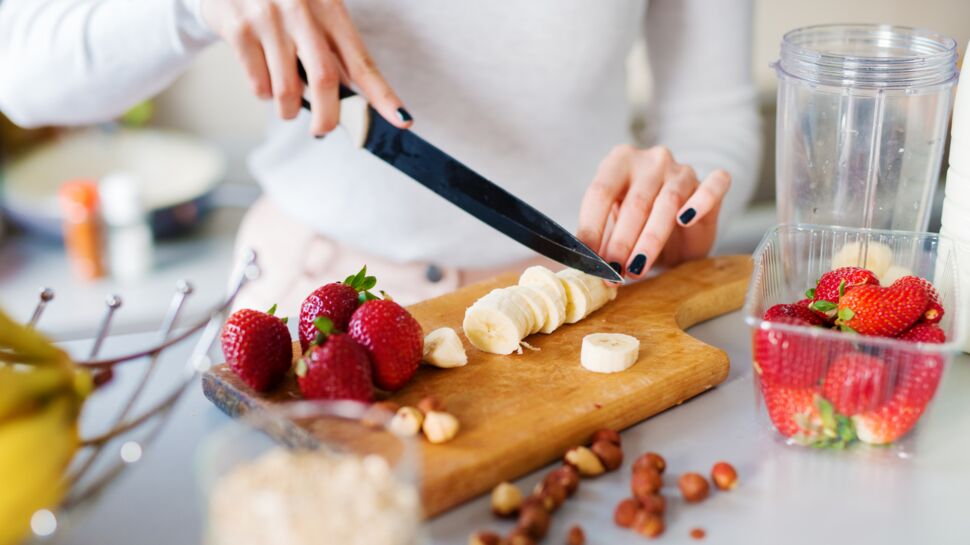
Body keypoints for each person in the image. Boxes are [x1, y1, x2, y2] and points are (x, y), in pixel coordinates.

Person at [0, 0, 761, 312]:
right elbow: (23, 73)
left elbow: (710, 116)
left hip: (566, 310)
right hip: (306, 304)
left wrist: (675, 212)